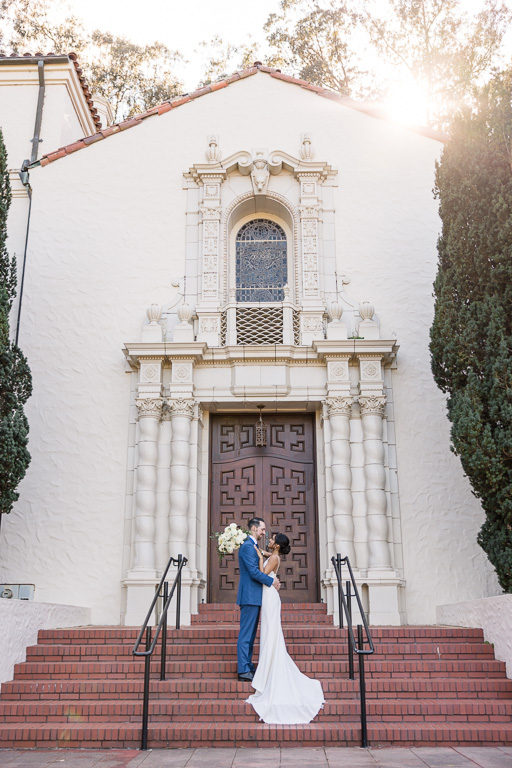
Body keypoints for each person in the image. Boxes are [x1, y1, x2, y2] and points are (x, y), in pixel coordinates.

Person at [246, 532, 325, 724]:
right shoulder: (272, 555)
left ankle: (271, 670)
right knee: (269, 634)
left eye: (272, 539)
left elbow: (261, 575)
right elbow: (265, 553)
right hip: (268, 596)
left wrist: (258, 558)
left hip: (270, 598)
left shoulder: (273, 558)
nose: (269, 540)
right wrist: (259, 551)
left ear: (277, 545)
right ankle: (268, 667)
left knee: (271, 634)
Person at [236, 517, 280, 682]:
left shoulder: (253, 546)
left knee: (251, 634)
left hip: (255, 596)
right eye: (262, 529)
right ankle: (243, 670)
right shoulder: (248, 546)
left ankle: (247, 666)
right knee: (246, 634)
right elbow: (254, 572)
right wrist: (272, 581)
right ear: (253, 528)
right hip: (249, 596)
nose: (264, 532)